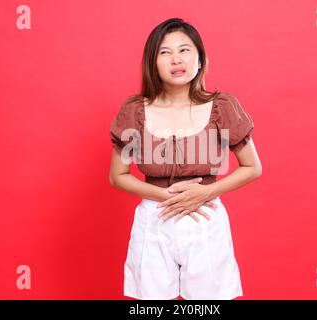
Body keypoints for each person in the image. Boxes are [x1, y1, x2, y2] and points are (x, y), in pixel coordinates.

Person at [109, 17, 262, 300]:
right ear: (152, 62)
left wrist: (206, 192)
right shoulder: (135, 111)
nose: (176, 59)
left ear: (200, 59)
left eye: (184, 50)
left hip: (206, 217)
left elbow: (253, 167)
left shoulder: (222, 106)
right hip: (154, 218)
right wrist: (165, 195)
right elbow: (118, 176)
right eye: (165, 52)